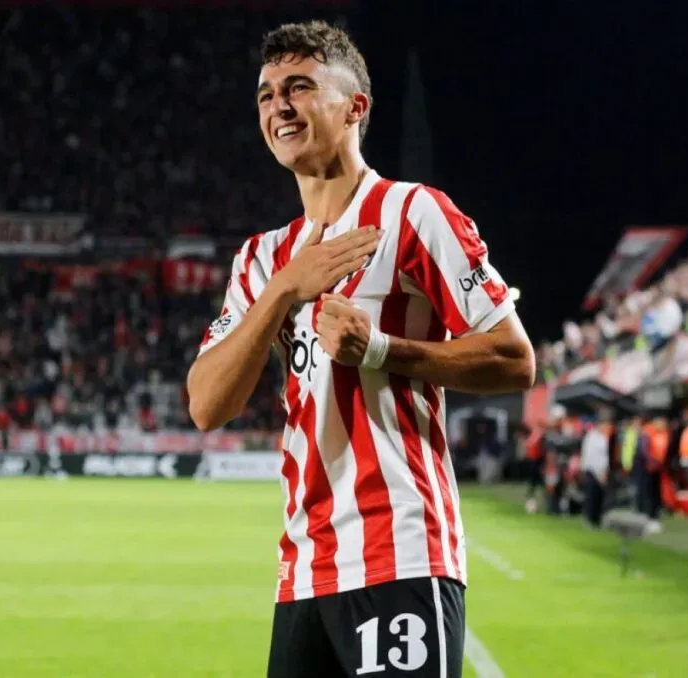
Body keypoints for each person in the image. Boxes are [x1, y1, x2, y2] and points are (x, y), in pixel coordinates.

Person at [185, 21, 535, 678]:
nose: (279, 106)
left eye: (299, 88)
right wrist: (284, 290)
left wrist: (380, 349)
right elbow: (206, 404)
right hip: (304, 568)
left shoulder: (414, 213)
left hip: (400, 552)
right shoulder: (260, 260)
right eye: (266, 95)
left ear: (355, 107)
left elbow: (514, 359)